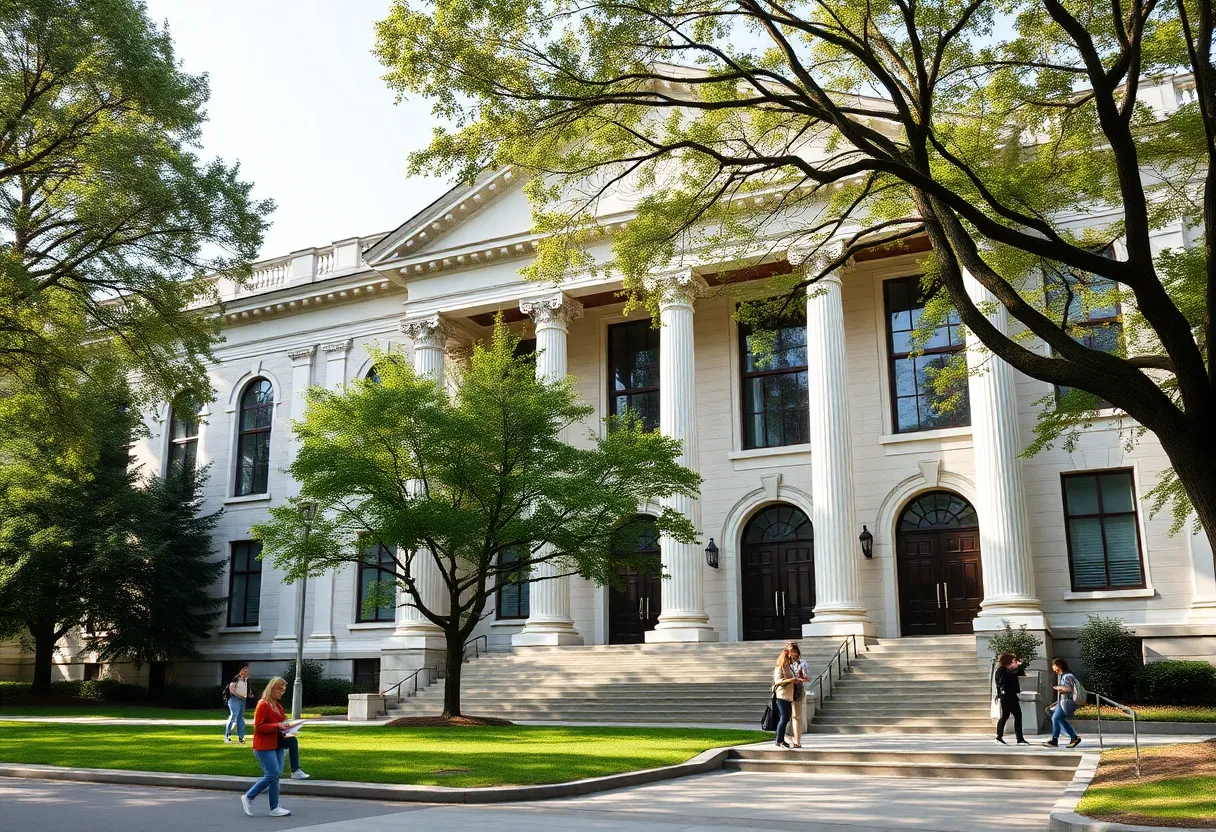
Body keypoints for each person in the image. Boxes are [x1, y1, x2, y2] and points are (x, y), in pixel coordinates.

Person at [241, 677, 303, 818]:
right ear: (271, 688)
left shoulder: (278, 706)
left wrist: (289, 726)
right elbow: (259, 727)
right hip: (264, 745)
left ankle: (274, 807)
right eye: (279, 689)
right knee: (272, 774)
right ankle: (248, 797)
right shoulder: (262, 704)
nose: (281, 692)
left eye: (283, 690)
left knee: (276, 775)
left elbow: (282, 722)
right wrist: (278, 726)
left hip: (277, 743)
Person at [1043, 659, 1082, 748]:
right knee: (1060, 719)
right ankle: (1074, 738)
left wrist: (1059, 688)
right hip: (1063, 701)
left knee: (1056, 718)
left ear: (1059, 665)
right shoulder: (1063, 675)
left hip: (1067, 702)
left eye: (1054, 665)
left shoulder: (1067, 676)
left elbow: (1069, 689)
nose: (1053, 667)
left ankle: (1055, 740)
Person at [993, 653, 1030, 745]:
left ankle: (999, 737)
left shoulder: (1010, 670)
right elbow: (1001, 683)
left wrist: (1017, 666)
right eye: (1013, 660)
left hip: (1008, 695)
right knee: (1017, 715)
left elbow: (1022, 674)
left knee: (1006, 715)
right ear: (1008, 661)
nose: (1014, 662)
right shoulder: (1002, 670)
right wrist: (999, 694)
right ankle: (1019, 739)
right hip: (1007, 696)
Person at [772, 647, 796, 749]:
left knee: (786, 718)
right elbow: (778, 681)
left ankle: (781, 739)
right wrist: (790, 680)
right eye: (790, 657)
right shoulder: (780, 667)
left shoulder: (788, 667)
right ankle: (779, 740)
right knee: (784, 717)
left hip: (788, 695)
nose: (792, 659)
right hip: (781, 695)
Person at [786, 643, 810, 749]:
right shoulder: (785, 663)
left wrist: (802, 677)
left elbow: (806, 677)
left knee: (797, 716)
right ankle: (785, 736)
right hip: (786, 691)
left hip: (798, 691)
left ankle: (797, 739)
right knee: (785, 716)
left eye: (794, 652)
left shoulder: (802, 663)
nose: (793, 655)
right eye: (791, 652)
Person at [224, 663, 250, 744]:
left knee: (240, 717)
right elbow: (231, 688)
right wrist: (239, 696)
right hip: (234, 699)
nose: (246, 670)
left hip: (242, 699)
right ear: (241, 669)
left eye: (247, 668)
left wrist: (248, 694)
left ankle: (241, 737)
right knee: (233, 716)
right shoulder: (236, 678)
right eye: (245, 668)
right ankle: (227, 736)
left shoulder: (245, 679)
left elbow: (246, 688)